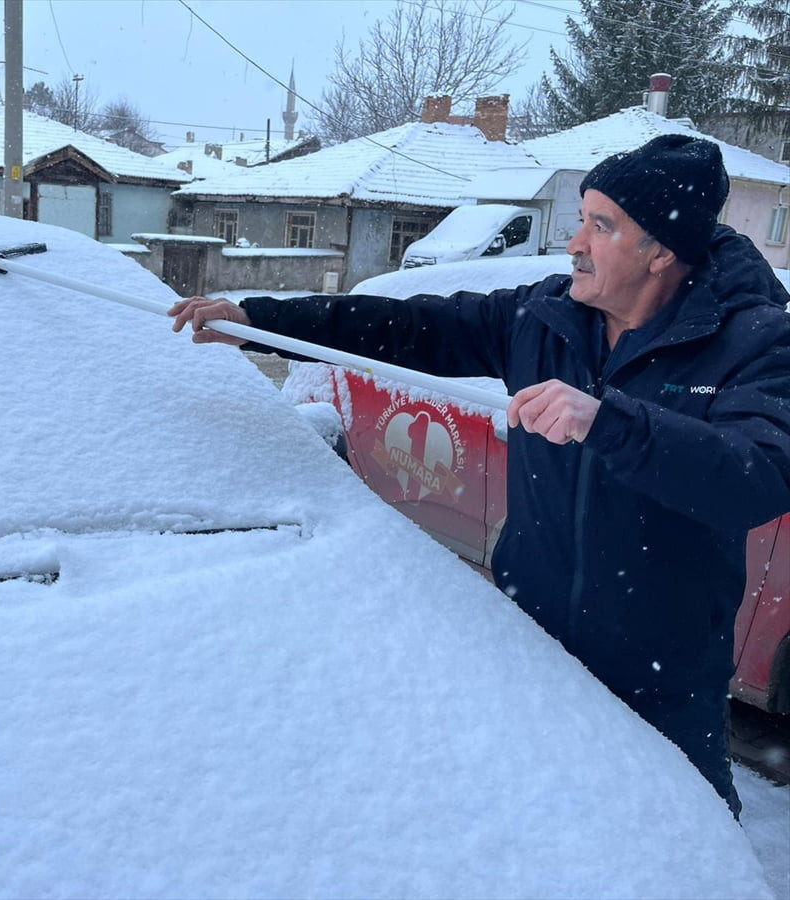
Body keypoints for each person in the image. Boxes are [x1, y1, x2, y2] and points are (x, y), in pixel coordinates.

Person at [169, 134, 790, 817]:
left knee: (681, 843)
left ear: (662, 251)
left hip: (663, 674)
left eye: (602, 226)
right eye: (581, 218)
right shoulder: (549, 317)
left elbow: (756, 477)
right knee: (537, 821)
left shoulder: (754, 340)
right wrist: (260, 322)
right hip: (532, 643)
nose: (576, 241)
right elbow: (410, 328)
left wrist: (610, 422)